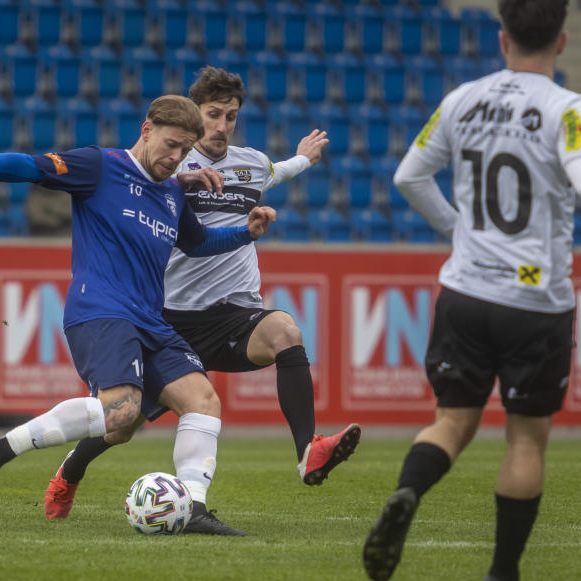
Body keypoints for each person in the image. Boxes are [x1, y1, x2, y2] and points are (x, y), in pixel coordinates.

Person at [44, 66, 361, 531]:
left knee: (285, 331)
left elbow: (275, 173)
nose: (221, 125)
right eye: (213, 114)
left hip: (232, 313)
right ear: (194, 115)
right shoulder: (168, 162)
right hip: (168, 318)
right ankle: (69, 473)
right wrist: (181, 179)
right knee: (122, 424)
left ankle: (307, 451)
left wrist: (304, 158)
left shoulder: (252, 164)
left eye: (231, 116)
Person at [363, 1, 581, 580]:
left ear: (502, 38)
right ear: (561, 41)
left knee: (452, 422)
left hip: (465, 291)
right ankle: (502, 572)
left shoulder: (462, 100)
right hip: (535, 302)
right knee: (526, 440)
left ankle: (409, 492)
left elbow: (409, 176)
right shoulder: (568, 111)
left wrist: (459, 230)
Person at [0, 95, 276, 537]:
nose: (176, 157)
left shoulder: (172, 192)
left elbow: (197, 244)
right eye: (170, 145)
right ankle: (5, 448)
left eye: (184, 150)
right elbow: (30, 167)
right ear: (147, 130)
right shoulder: (100, 166)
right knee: (121, 411)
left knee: (201, 400)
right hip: (101, 310)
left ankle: (193, 508)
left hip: (151, 320)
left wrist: (245, 232)